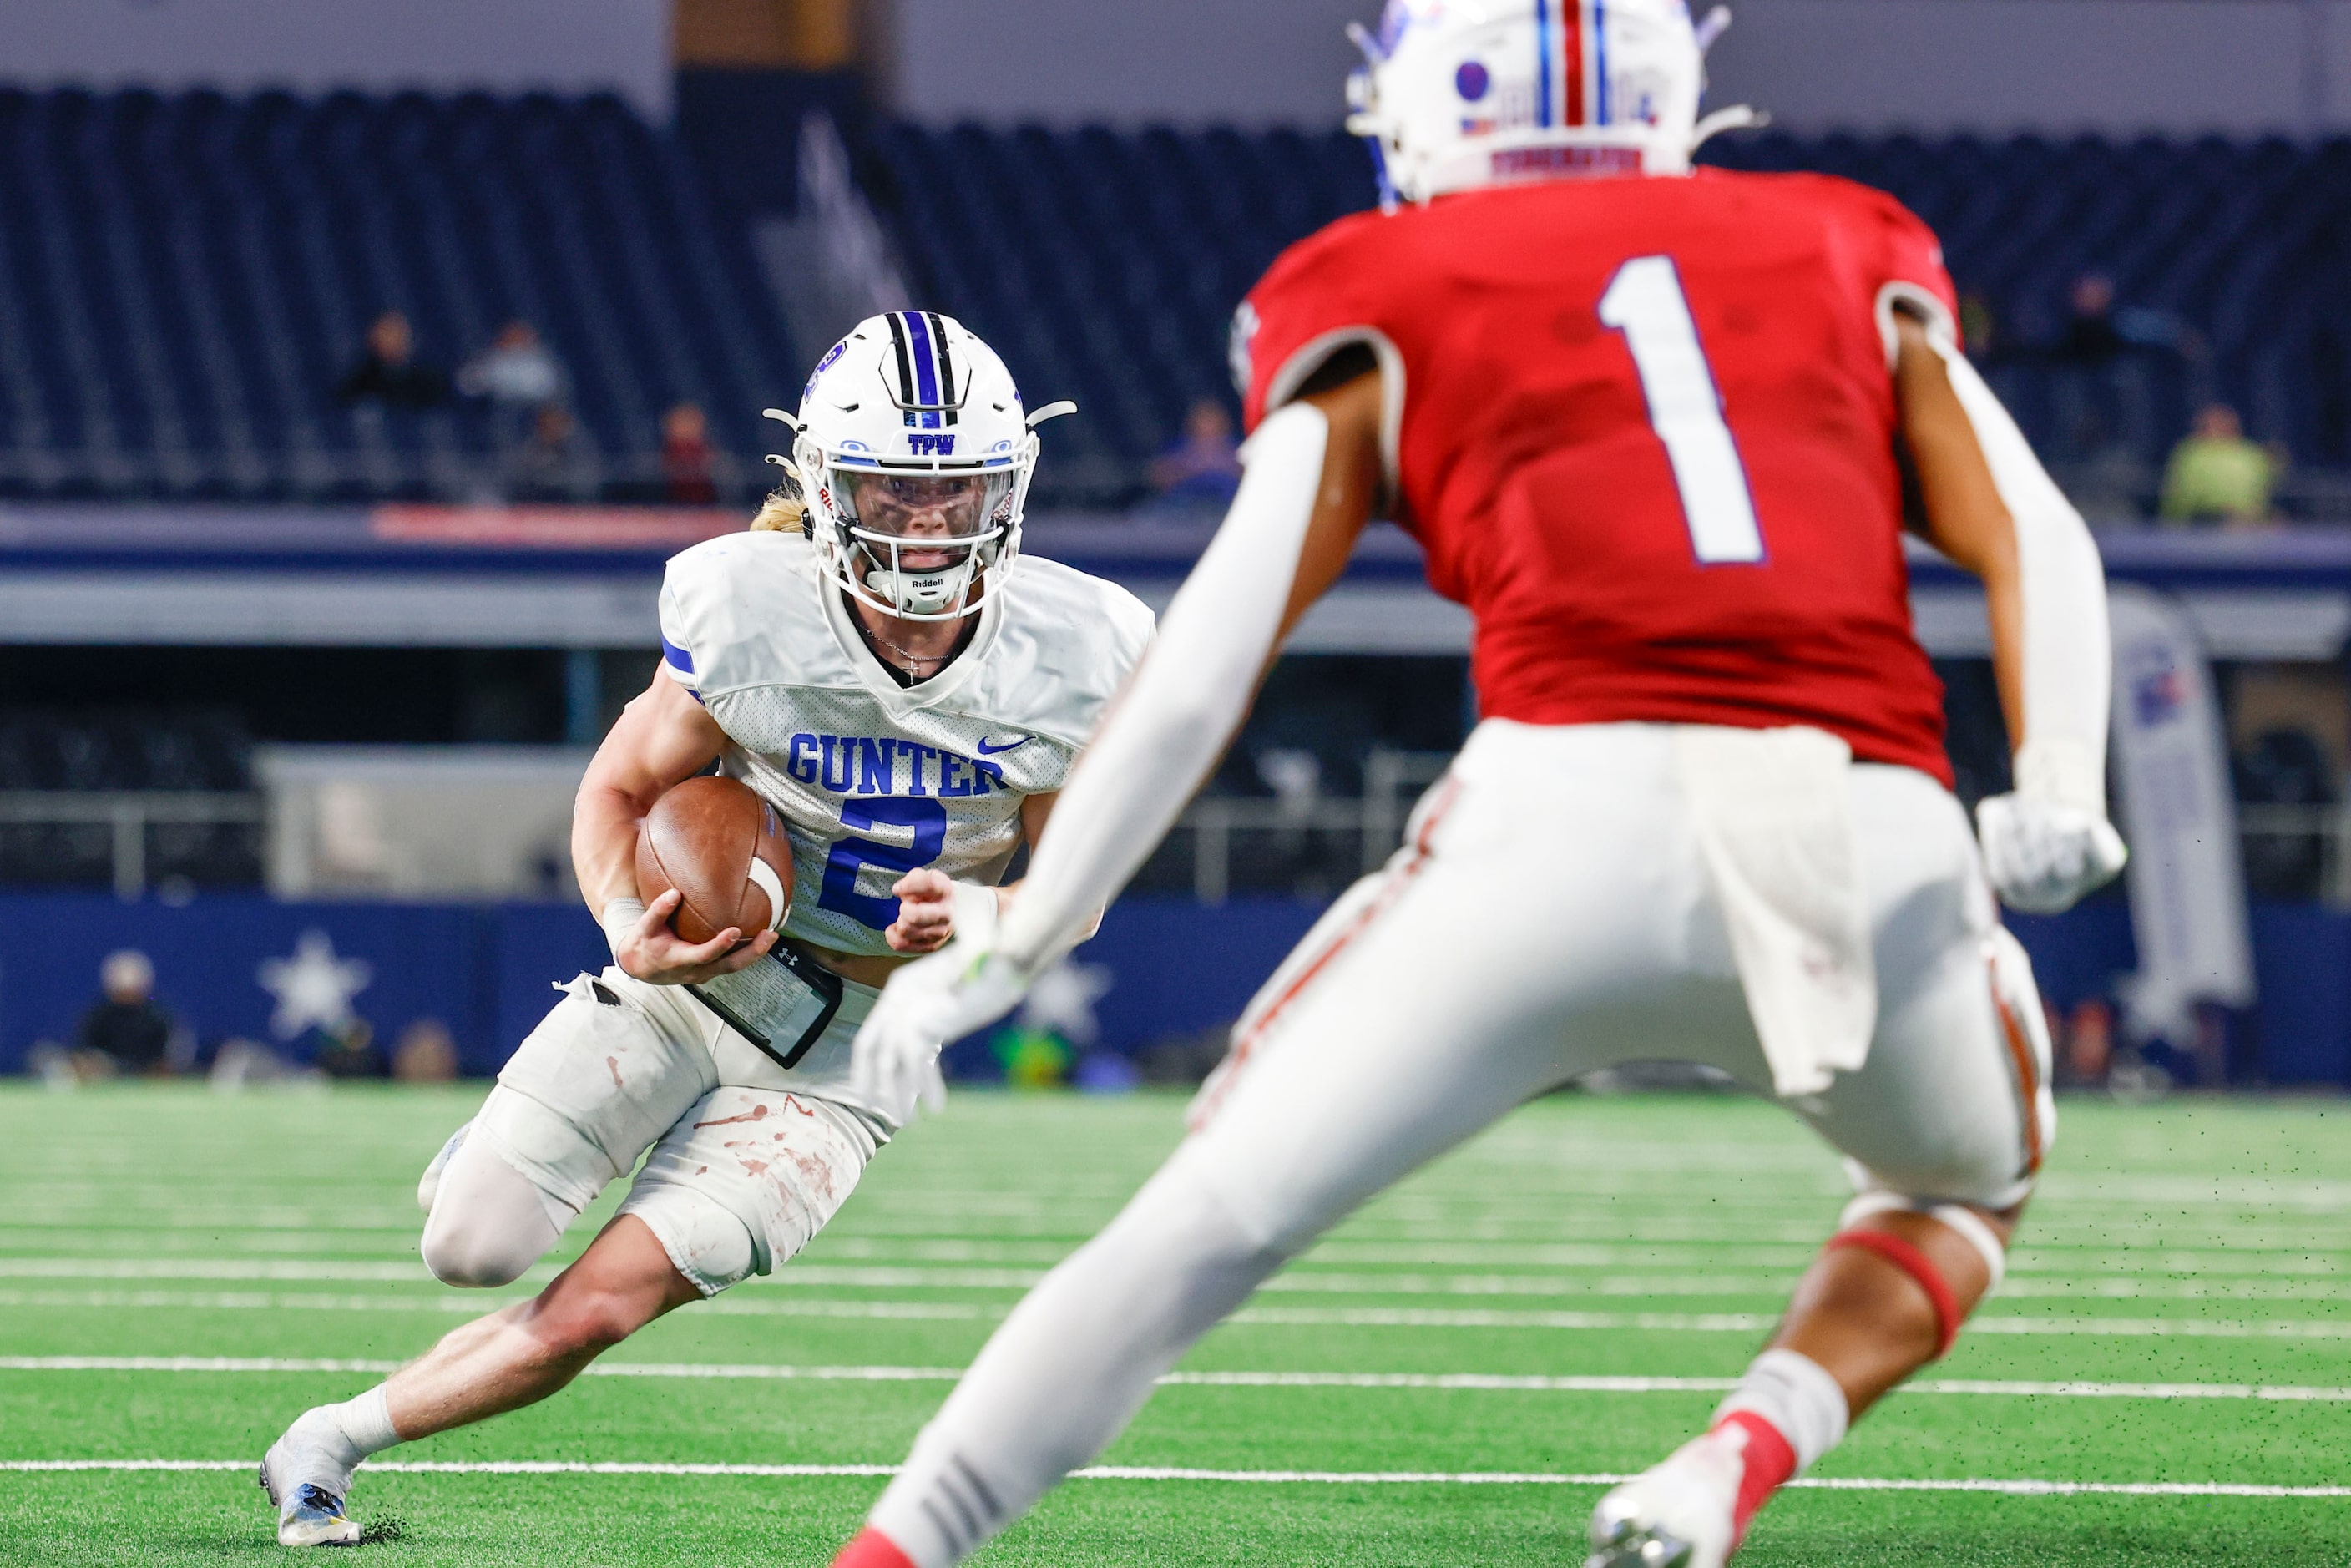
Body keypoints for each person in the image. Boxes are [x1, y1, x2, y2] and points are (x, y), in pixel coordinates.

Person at [831, 7, 2126, 1568]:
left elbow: (1202, 667)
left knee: (1196, 1234)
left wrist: (1025, 931)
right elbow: (2036, 532)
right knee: (1961, 1185)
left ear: (1428, 109)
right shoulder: (1840, 242)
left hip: (1554, 829)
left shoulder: (1377, 282)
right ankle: (1729, 1459)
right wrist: (2056, 769)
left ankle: (892, 1554)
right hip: (1861, 826)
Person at [256, 312, 1152, 1547]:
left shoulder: (1074, 649)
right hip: (698, 984)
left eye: (959, 492)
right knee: (470, 1244)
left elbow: (1083, 878)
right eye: (896, 486)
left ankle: (329, 1439)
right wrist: (629, 921)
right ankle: (509, 1139)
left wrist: (1003, 909)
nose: (926, 525)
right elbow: (615, 791)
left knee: (598, 1307)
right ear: (829, 486)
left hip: (855, 1051)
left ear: (1013, 490)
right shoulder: (748, 601)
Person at [2160, 403, 2276, 525]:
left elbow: (2261, 496)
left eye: (2222, 423)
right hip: (2199, 523)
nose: (2218, 428)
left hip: (2246, 525)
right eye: (2213, 424)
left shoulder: (2251, 454)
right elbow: (2178, 500)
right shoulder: (2189, 454)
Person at [72, 949, 175, 1075]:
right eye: (122, 994)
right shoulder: (99, 1016)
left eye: (132, 993)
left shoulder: (158, 1018)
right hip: (106, 1074)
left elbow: (170, 1055)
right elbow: (84, 1051)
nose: (127, 999)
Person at [334, 311, 447, 412]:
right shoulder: (360, 383)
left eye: (398, 334)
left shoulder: (427, 380)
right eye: (386, 334)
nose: (393, 340)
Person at [1146, 397, 1244, 508]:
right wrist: (1187, 469)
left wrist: (1226, 467)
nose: (1208, 426)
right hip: (1187, 507)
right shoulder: (1181, 447)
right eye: (1204, 420)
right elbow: (1156, 475)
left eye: (1212, 420)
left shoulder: (1237, 447)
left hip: (1228, 504)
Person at [660, 401, 720, 503]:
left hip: (705, 500)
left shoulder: (705, 450)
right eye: (682, 423)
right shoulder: (668, 451)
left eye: (690, 423)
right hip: (672, 500)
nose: (686, 428)